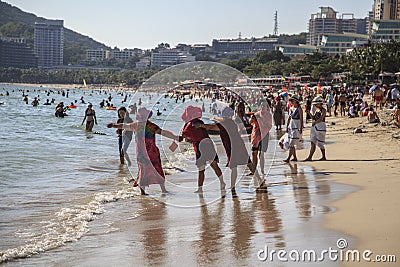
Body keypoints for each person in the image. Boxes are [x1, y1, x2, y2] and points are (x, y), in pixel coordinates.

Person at [107, 107, 178, 195]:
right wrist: (175, 137)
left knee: (143, 171)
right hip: (152, 152)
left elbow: (123, 126)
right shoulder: (151, 126)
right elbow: (163, 132)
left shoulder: (136, 125)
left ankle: (143, 192)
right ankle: (162, 190)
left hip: (142, 153)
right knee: (157, 169)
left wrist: (113, 125)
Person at [194, 106, 264, 193]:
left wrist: (201, 125)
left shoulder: (223, 124)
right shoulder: (231, 122)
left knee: (233, 166)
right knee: (248, 163)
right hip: (239, 144)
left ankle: (232, 187)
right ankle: (259, 179)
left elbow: (211, 127)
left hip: (232, 146)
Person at [178, 105, 225, 193]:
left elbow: (185, 137)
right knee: (214, 166)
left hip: (200, 146)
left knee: (201, 169)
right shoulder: (199, 122)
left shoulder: (189, 125)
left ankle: (200, 188)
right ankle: (222, 182)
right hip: (208, 144)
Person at [249, 103, 273, 176]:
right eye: (261, 106)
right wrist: (252, 118)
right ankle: (254, 170)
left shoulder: (269, 115)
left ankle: (262, 170)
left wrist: (260, 120)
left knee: (261, 154)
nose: (262, 107)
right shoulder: (256, 114)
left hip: (264, 135)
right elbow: (250, 122)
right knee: (254, 153)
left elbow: (269, 126)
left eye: (264, 106)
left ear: (266, 107)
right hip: (255, 135)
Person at [305, 96, 327, 161]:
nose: (315, 105)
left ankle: (323, 156)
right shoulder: (316, 110)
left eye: (316, 104)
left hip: (321, 127)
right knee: (313, 142)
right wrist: (308, 112)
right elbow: (313, 118)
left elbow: (321, 119)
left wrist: (315, 122)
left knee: (320, 143)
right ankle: (310, 157)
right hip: (315, 127)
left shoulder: (323, 110)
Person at [284, 95, 303, 163]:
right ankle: (294, 157)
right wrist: (287, 126)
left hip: (296, 126)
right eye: (291, 100)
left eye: (292, 100)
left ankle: (288, 158)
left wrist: (301, 127)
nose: (291, 101)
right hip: (291, 126)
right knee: (291, 143)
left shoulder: (299, 108)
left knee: (292, 143)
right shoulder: (291, 108)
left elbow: (301, 118)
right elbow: (289, 118)